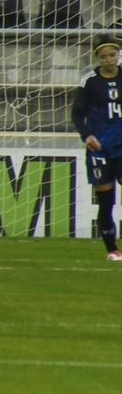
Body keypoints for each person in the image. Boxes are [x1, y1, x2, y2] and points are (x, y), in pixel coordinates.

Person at [73, 35, 122, 261]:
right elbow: (77, 113)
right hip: (100, 148)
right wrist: (86, 135)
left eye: (112, 55)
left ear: (118, 55)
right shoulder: (89, 81)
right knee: (106, 201)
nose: (108, 60)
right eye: (103, 57)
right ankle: (112, 249)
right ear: (97, 58)